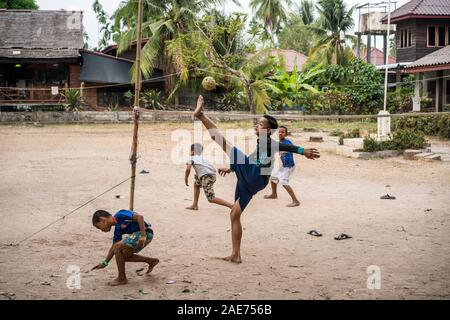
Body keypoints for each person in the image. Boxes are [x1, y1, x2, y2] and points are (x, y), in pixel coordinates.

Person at [194, 95, 320, 263]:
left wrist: (301, 150)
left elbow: (284, 146)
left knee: (222, 142)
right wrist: (231, 168)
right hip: (252, 181)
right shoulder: (261, 143)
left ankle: (201, 115)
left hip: (255, 176)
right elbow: (252, 158)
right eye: (258, 122)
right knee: (234, 214)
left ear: (268, 130)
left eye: (261, 124)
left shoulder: (268, 142)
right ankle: (235, 255)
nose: (257, 125)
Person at [91, 209, 159, 286]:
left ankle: (122, 278)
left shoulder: (120, 215)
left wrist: (143, 236)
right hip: (138, 236)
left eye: (99, 227)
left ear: (102, 220)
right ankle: (151, 261)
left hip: (145, 233)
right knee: (122, 256)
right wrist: (105, 262)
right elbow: (114, 247)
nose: (102, 230)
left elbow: (140, 217)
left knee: (117, 247)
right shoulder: (117, 230)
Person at [185, 143, 234, 210]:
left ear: (192, 151)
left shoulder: (192, 159)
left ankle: (231, 206)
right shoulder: (203, 160)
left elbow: (188, 169)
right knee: (196, 184)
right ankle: (195, 205)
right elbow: (211, 168)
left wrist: (186, 178)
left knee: (211, 198)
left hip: (206, 177)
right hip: (210, 175)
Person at [264, 125, 301, 207]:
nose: (280, 133)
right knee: (273, 177)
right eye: (279, 132)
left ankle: (295, 201)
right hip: (284, 166)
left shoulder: (288, 143)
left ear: (286, 134)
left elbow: (293, 150)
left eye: (282, 132)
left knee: (284, 182)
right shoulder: (279, 143)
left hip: (289, 166)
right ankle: (274, 194)